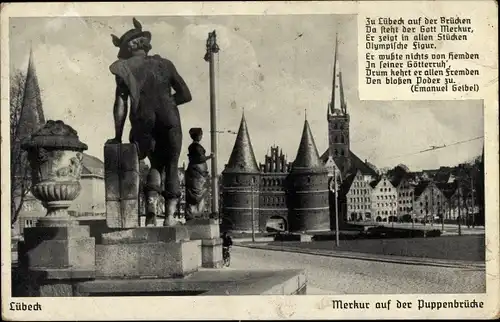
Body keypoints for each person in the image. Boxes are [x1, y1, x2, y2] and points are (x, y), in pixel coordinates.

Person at [106, 18, 192, 226]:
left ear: (126, 50)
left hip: (143, 120)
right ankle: (170, 218)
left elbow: (120, 104)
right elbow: (186, 94)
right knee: (171, 165)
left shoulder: (122, 68)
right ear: (145, 44)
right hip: (169, 118)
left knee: (154, 164)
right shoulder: (165, 64)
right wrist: (169, 103)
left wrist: (118, 136)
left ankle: (151, 214)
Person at [185, 128, 213, 221]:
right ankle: (195, 214)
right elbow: (200, 158)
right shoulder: (196, 147)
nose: (201, 136)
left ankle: (196, 213)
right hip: (197, 175)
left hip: (197, 174)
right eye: (201, 134)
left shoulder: (193, 147)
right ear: (198, 136)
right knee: (197, 194)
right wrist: (210, 157)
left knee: (197, 193)